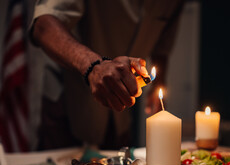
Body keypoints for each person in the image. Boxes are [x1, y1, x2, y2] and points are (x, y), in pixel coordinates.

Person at [30, 0, 184, 150]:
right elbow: (43, 25)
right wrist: (94, 66)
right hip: (68, 102)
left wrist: (159, 83)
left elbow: (162, 43)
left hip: (120, 114)